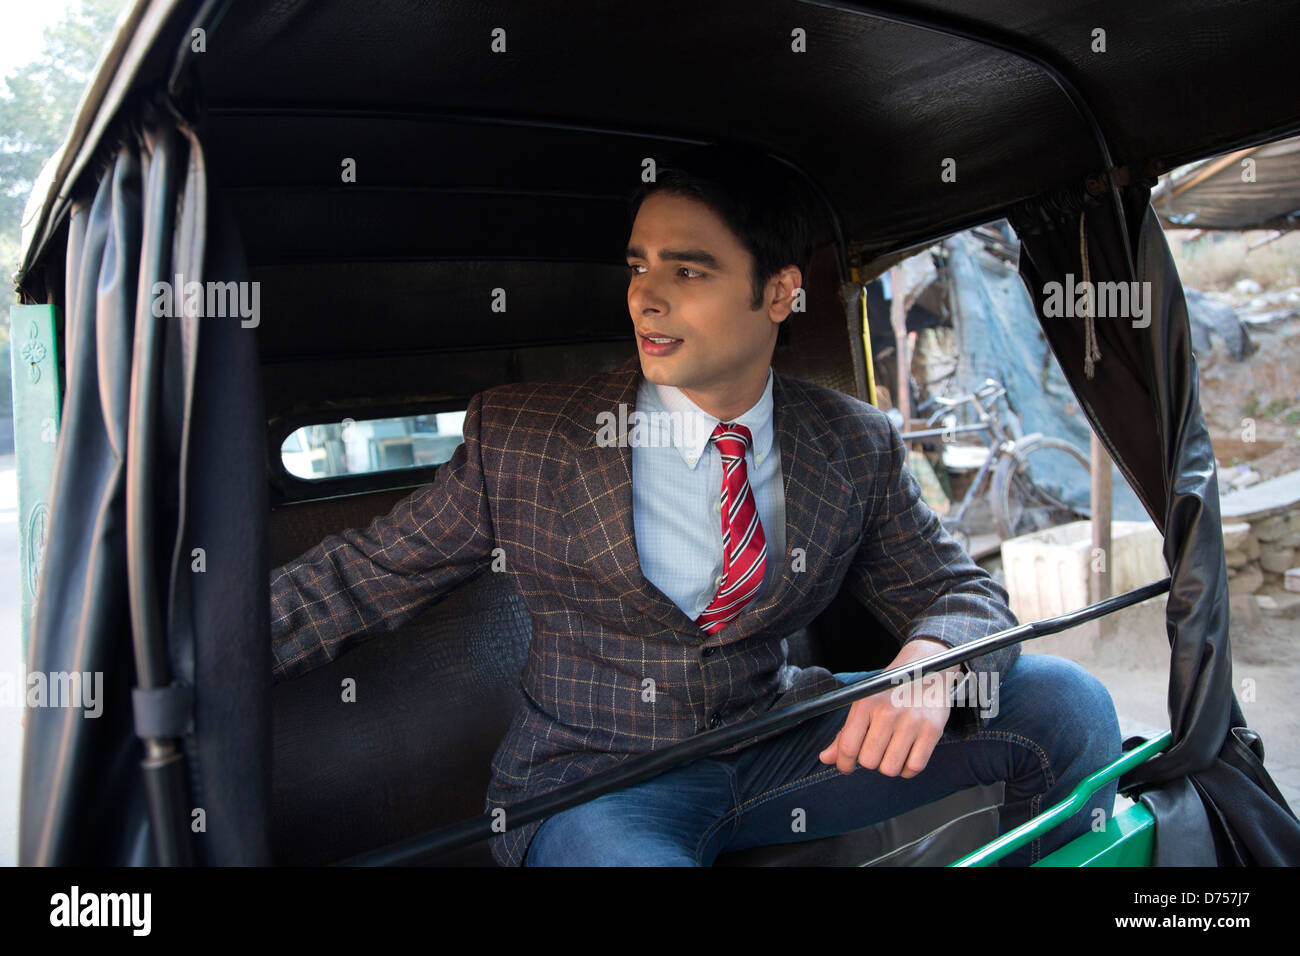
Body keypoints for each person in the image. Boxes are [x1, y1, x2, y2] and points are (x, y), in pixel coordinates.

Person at [269, 144, 1121, 867]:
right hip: (593, 785)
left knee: (1066, 703)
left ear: (780, 294)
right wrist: (162, 667)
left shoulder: (852, 441)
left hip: (786, 741)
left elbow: (962, 593)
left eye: (690, 271)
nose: (646, 297)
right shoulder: (523, 438)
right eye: (639, 266)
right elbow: (358, 579)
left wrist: (931, 664)